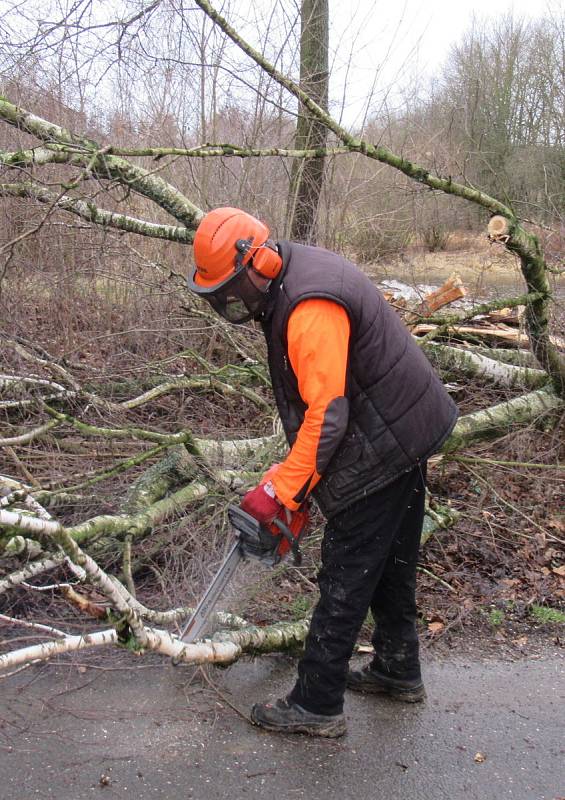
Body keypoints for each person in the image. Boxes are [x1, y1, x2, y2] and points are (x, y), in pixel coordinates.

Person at [187, 207, 458, 738]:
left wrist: (282, 490)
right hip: (401, 424)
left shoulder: (308, 305)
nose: (231, 303)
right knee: (390, 560)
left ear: (257, 263)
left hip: (384, 439)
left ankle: (316, 702)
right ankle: (397, 668)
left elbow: (327, 417)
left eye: (232, 289)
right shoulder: (290, 281)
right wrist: (299, 483)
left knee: (347, 571)